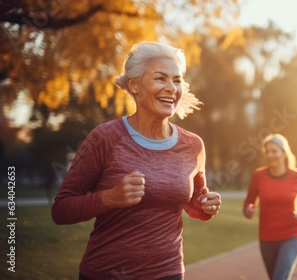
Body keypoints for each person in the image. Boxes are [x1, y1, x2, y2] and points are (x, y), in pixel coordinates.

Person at [51, 41, 221, 280]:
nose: (172, 88)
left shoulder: (193, 145)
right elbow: (61, 210)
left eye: (177, 80)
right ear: (134, 85)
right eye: (161, 78)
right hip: (106, 274)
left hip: (168, 273)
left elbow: (195, 205)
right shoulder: (105, 138)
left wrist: (206, 207)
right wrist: (109, 198)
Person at [243, 134, 297, 280]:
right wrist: (248, 210)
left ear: (283, 152)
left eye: (274, 151)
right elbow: (248, 202)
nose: (270, 155)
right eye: (267, 152)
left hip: (291, 235)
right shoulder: (258, 176)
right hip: (266, 238)